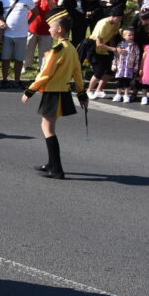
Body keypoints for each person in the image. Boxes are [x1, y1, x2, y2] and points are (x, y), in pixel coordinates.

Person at [21, 10, 88, 180]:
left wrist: (30, 90)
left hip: (53, 93)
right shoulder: (71, 48)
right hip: (61, 91)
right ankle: (51, 164)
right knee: (48, 126)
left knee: (47, 128)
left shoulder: (58, 50)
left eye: (51, 27)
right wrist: (81, 93)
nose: (49, 29)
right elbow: (77, 73)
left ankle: (57, 169)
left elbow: (45, 73)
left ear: (59, 30)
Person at [0, 0, 35, 88]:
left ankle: (17, 80)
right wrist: (1, 22)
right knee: (5, 59)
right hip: (7, 34)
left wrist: (27, 22)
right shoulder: (3, 0)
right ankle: (4, 80)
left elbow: (35, 12)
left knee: (19, 59)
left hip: (21, 34)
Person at [85, 15, 122, 100]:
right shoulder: (103, 23)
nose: (119, 19)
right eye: (118, 17)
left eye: (121, 18)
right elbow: (99, 44)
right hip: (94, 46)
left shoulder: (117, 23)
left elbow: (113, 36)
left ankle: (99, 90)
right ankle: (88, 91)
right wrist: (114, 49)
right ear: (112, 15)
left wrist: (113, 52)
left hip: (106, 47)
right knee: (98, 71)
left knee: (109, 71)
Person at [110, 28, 140, 103]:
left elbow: (137, 56)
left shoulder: (135, 46)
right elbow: (116, 55)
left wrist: (136, 66)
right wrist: (114, 64)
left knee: (127, 82)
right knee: (119, 81)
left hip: (129, 67)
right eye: (129, 35)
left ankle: (126, 95)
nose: (131, 36)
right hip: (120, 66)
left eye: (132, 35)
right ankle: (118, 94)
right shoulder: (120, 45)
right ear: (124, 36)